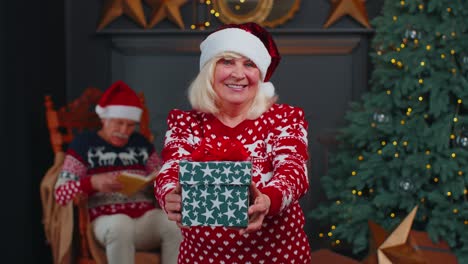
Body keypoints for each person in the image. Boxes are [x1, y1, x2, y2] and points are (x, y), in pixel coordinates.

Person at [155, 22, 311, 263]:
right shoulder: (186, 123)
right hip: (203, 257)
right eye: (227, 61)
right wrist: (169, 196)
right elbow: (170, 170)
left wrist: (266, 200)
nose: (238, 74)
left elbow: (293, 172)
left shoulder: (283, 118)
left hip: (277, 256)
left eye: (249, 63)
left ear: (259, 74)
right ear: (209, 70)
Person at [54, 80, 181, 264]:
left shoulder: (141, 143)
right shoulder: (83, 145)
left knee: (174, 224)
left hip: (144, 220)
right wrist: (92, 183)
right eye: (119, 123)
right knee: (121, 224)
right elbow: (61, 194)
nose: (124, 131)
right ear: (104, 119)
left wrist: (160, 182)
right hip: (107, 221)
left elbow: (162, 177)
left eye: (130, 125)